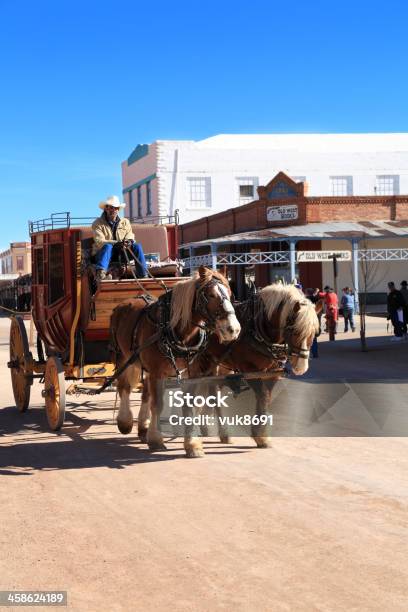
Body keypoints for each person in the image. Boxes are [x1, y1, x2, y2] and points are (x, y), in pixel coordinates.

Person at [92, 195, 148, 281]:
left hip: (121, 253)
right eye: (111, 207)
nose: (113, 210)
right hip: (104, 254)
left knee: (137, 246)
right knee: (108, 246)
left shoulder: (125, 222)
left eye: (115, 208)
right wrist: (116, 243)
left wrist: (129, 241)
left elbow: (130, 235)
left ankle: (144, 276)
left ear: (118, 209)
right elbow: (100, 241)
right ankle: (101, 276)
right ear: (106, 208)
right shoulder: (97, 223)